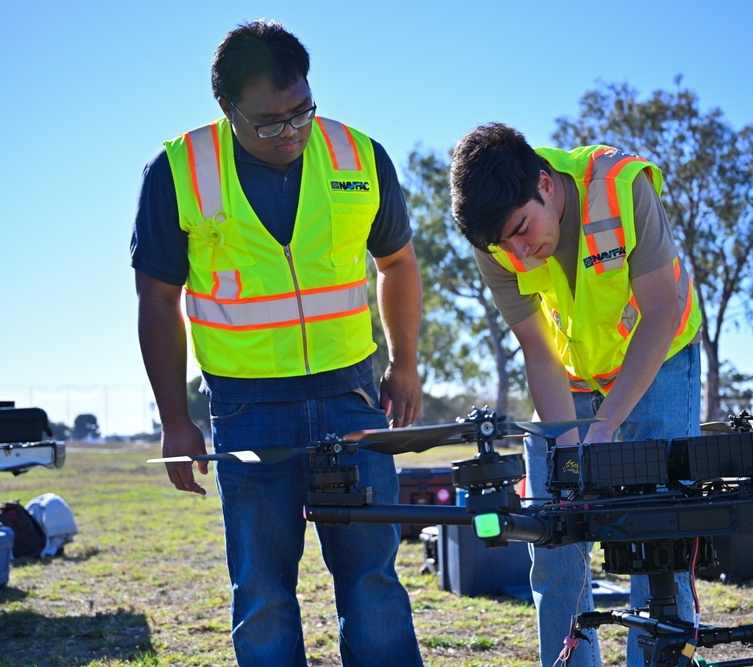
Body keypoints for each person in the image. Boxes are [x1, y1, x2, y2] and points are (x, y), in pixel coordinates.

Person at [131, 20, 424, 667]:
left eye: (302, 112)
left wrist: (404, 362)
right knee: (263, 592)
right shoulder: (177, 172)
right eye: (269, 121)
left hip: (352, 401)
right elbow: (156, 301)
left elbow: (398, 263)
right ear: (226, 109)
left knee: (373, 583)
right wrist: (175, 421)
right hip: (247, 412)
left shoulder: (359, 156)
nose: (291, 131)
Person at [450, 123, 703, 667]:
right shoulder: (495, 239)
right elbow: (538, 352)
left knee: (657, 536)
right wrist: (568, 451)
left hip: (657, 361)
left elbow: (660, 314)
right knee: (557, 537)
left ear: (545, 182)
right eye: (504, 244)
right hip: (570, 376)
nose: (519, 249)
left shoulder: (619, 185)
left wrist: (606, 429)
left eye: (523, 228)